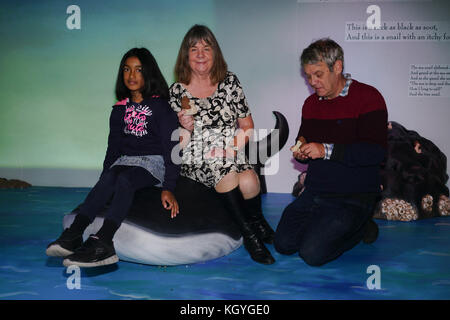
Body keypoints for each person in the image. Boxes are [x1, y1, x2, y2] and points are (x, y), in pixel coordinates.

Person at [46, 48, 180, 267]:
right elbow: (113, 150)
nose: (131, 75)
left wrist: (169, 187)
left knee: (125, 180)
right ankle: (74, 233)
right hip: (124, 161)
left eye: (138, 69)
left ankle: (104, 241)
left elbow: (172, 147)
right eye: (126, 69)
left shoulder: (161, 107)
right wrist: (104, 184)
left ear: (149, 73)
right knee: (111, 177)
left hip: (153, 162)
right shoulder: (119, 110)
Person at [274, 38, 387, 266]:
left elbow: (375, 153)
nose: (313, 82)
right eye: (308, 75)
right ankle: (332, 224)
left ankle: (361, 224)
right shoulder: (311, 104)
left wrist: (324, 150)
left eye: (318, 74)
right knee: (283, 245)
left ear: (337, 67)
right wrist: (301, 147)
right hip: (316, 191)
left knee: (312, 254)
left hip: (354, 195)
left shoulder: (369, 97)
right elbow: (305, 135)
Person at [169, 25, 275, 265]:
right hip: (197, 153)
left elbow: (247, 126)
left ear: (215, 53)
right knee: (221, 164)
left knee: (248, 180)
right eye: (194, 49)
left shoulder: (229, 82)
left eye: (206, 48)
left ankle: (258, 221)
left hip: (229, 146)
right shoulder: (177, 90)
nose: (200, 54)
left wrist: (230, 148)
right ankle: (250, 236)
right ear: (185, 55)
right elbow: (179, 142)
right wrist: (183, 126)